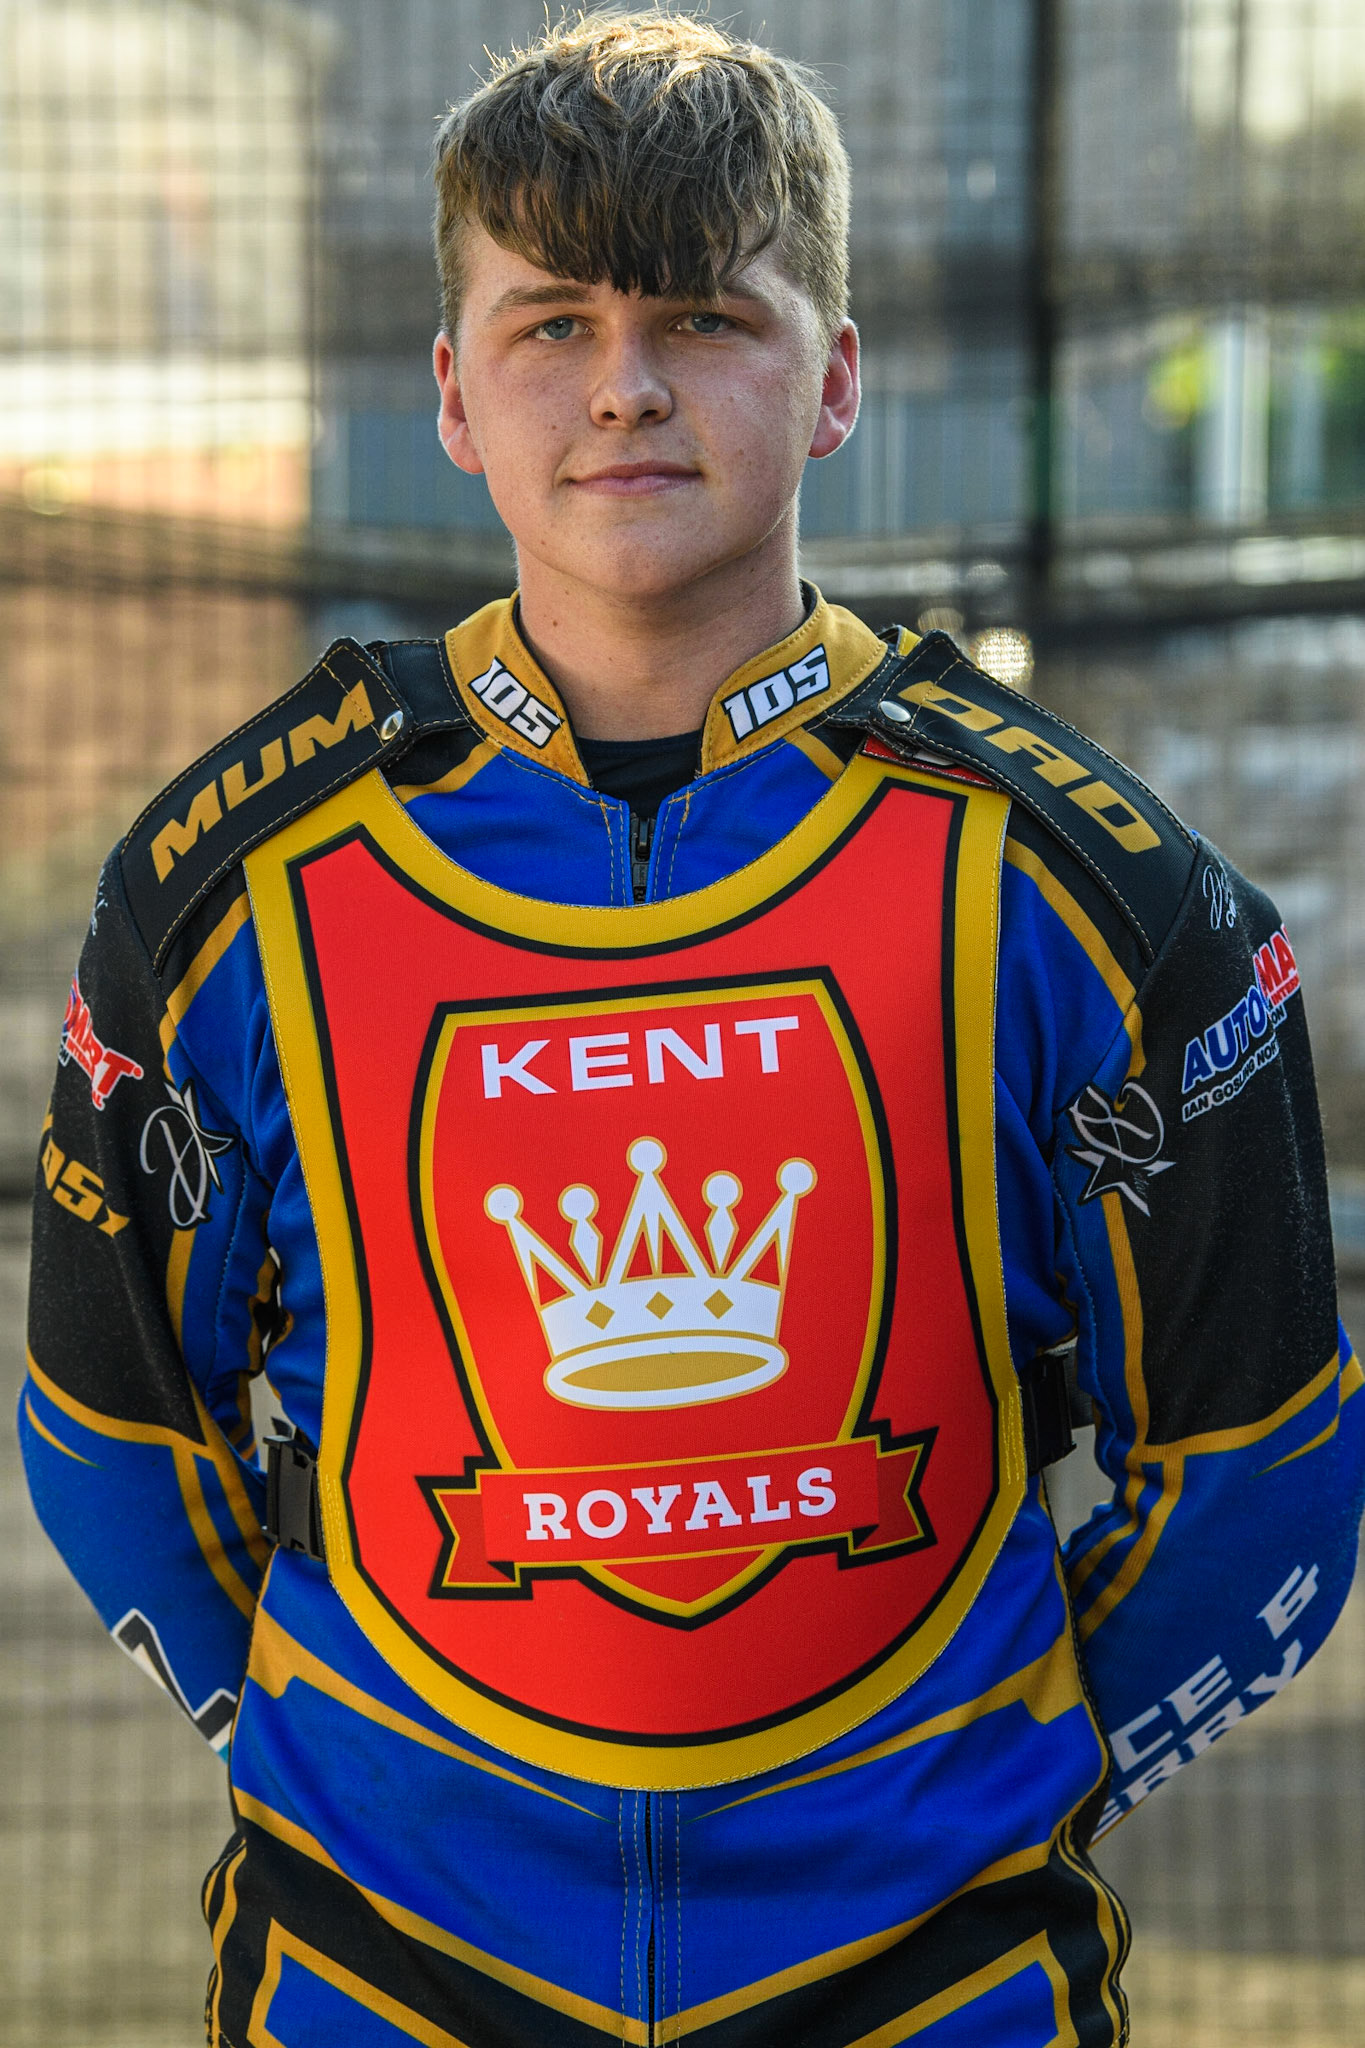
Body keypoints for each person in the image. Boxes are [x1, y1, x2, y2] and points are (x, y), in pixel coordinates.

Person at [20, 12, 1364, 2046]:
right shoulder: (234, 886)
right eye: (547, 322)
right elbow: (110, 1430)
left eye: (704, 317)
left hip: (928, 1982)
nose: (624, 383)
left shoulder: (1087, 895)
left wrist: (1005, 1777)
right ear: (454, 395)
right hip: (388, 1973)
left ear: (830, 378)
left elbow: (1258, 1468)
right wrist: (331, 1762)